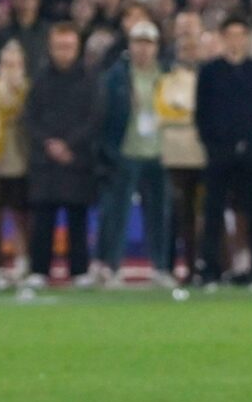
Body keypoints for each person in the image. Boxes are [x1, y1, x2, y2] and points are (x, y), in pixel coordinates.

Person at [195, 16, 252, 290]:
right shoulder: (209, 71)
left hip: (251, 154)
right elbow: (201, 113)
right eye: (231, 34)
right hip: (219, 153)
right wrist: (212, 146)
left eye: (241, 34)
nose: (236, 40)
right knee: (212, 212)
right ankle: (210, 271)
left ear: (247, 38)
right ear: (223, 37)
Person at [22, 23, 100, 288]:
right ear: (50, 47)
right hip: (46, 161)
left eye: (69, 46)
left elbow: (94, 118)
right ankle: (38, 269)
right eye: (59, 46)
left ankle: (79, 269)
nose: (64, 52)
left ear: (77, 48)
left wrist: (69, 145)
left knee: (77, 218)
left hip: (77, 160)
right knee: (43, 218)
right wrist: (49, 144)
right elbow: (30, 118)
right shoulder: (40, 78)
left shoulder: (90, 79)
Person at [98, 21, 173, 287]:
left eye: (148, 43)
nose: (143, 49)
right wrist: (109, 152)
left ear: (156, 46)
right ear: (130, 45)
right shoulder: (116, 77)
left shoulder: (165, 75)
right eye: (138, 42)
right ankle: (112, 266)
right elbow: (104, 117)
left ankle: (161, 266)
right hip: (126, 151)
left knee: (159, 213)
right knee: (118, 213)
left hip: (158, 151)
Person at [155, 18, 207, 284]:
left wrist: (185, 112)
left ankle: (205, 264)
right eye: (185, 49)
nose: (190, 53)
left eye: (194, 48)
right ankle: (179, 265)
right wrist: (194, 115)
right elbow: (163, 111)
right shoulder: (168, 79)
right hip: (176, 155)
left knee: (205, 214)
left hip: (204, 154)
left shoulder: (208, 76)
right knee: (180, 215)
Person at [0, 40, 30, 289]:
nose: (10, 68)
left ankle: (23, 260)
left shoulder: (28, 90)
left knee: (21, 213)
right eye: (6, 63)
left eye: (15, 64)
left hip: (21, 157)